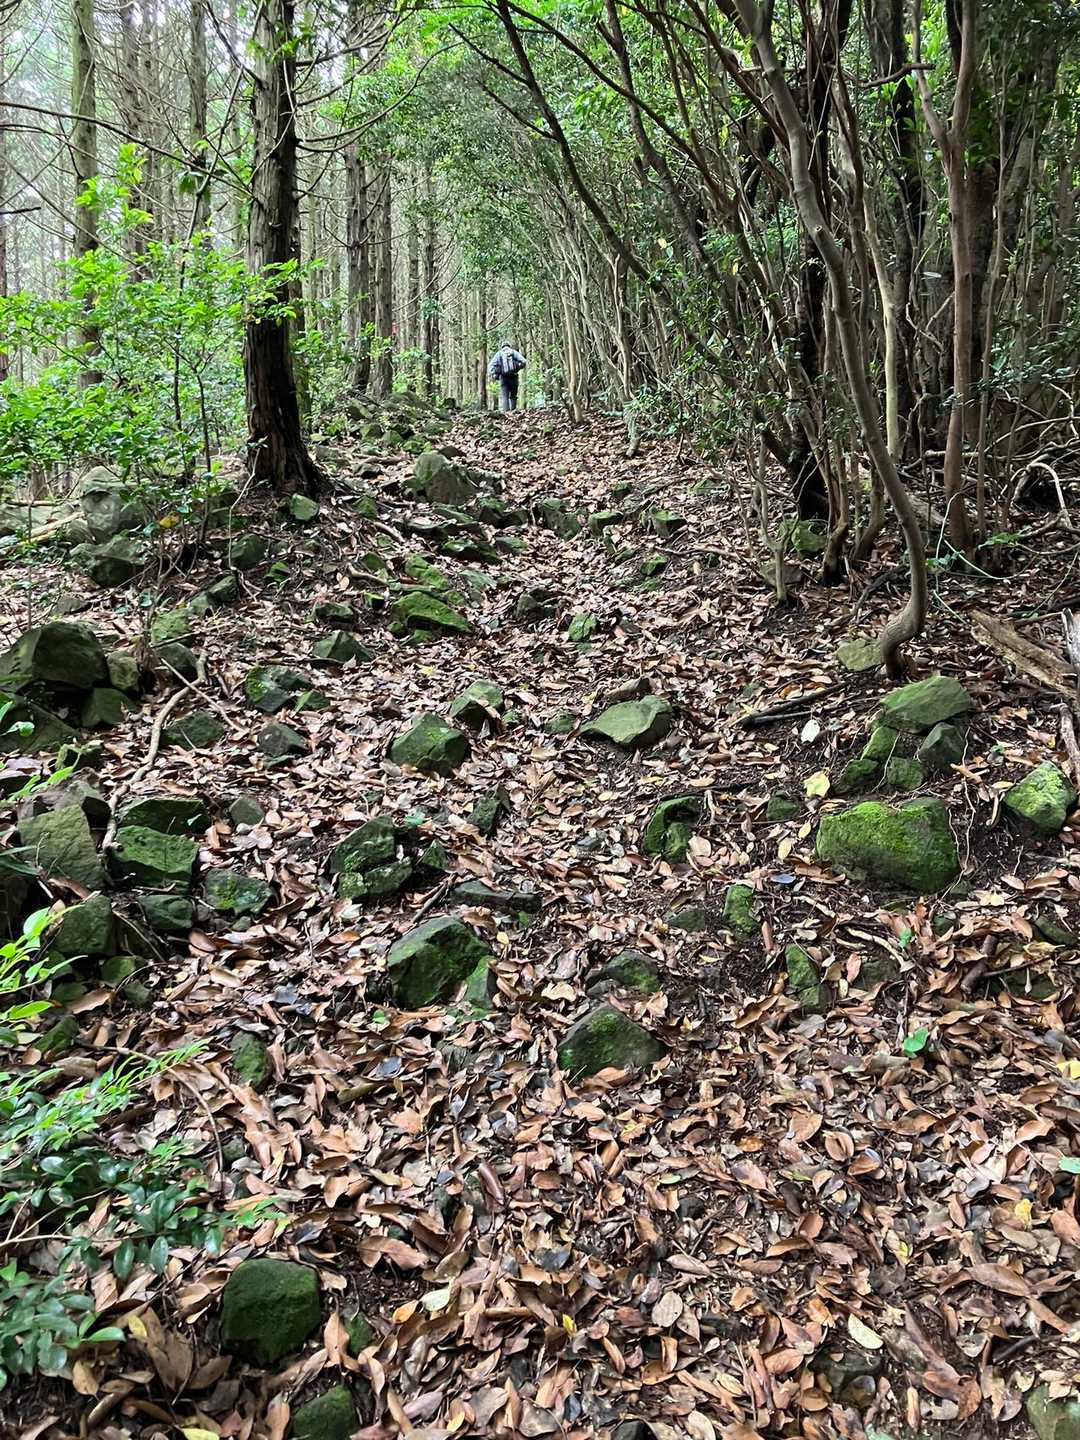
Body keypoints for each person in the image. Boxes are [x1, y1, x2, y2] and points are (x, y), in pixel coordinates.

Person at [488, 342, 526, 413]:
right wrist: (518, 367)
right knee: (513, 395)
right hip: (514, 376)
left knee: (505, 396)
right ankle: (513, 412)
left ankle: (506, 413)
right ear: (509, 346)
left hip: (503, 377)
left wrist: (494, 375)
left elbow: (491, 366)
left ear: (502, 347)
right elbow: (523, 361)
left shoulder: (499, 354)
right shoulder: (513, 352)